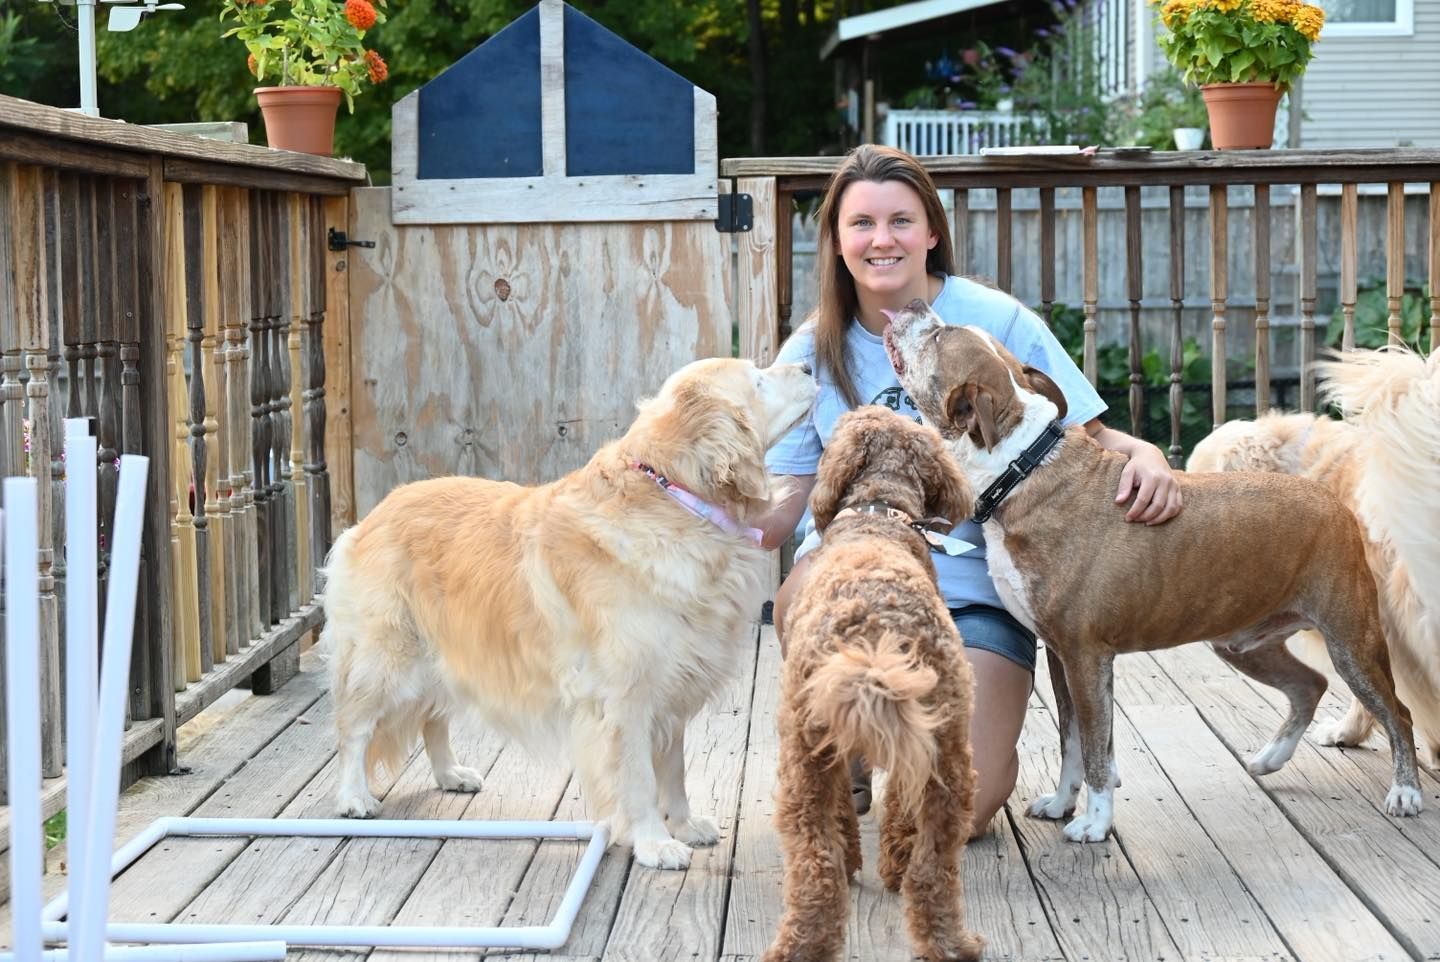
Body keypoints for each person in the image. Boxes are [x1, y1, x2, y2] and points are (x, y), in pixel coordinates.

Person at [757, 144, 1183, 834]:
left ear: (931, 232)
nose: (882, 239)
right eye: (861, 223)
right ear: (837, 241)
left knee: (960, 813)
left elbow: (1093, 435)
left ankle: (911, 746)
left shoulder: (993, 323)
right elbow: (783, 505)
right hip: (851, 574)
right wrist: (698, 511)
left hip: (975, 582)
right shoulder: (810, 352)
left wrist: (1154, 457)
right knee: (802, 596)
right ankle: (853, 745)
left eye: (900, 220)